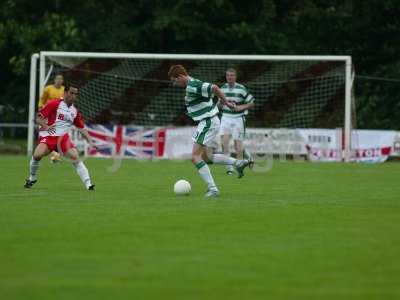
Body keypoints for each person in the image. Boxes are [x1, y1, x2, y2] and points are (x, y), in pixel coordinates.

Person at [168, 65, 250, 197]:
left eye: (175, 80)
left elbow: (214, 88)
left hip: (208, 122)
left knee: (195, 157)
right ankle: (238, 163)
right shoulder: (193, 85)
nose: (175, 84)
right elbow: (209, 98)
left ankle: (213, 189)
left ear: (181, 76)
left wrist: (227, 102)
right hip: (207, 121)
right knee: (206, 157)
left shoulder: (192, 85)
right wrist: (219, 104)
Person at [25, 84, 96, 190]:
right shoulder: (54, 104)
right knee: (37, 155)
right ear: (65, 93)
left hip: (63, 139)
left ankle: (89, 184)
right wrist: (46, 126)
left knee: (75, 158)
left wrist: (90, 141)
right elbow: (38, 118)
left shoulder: (74, 111)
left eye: (76, 94)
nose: (74, 96)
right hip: (49, 136)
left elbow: (81, 128)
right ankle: (32, 178)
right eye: (71, 93)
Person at [219, 68, 255, 174]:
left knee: (238, 147)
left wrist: (241, 107)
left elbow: (252, 102)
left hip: (238, 119)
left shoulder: (241, 88)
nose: (230, 77)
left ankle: (243, 164)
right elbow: (219, 105)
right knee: (224, 143)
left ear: (235, 77)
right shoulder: (222, 89)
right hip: (225, 117)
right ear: (226, 77)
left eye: (232, 75)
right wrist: (221, 103)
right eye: (228, 75)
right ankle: (229, 169)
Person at [38, 74, 65, 163]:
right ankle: (52, 154)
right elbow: (42, 100)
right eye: (58, 79)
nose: (59, 80)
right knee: (46, 134)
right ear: (54, 80)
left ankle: (55, 155)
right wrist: (41, 109)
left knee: (57, 135)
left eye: (61, 79)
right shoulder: (48, 89)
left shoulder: (64, 90)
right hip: (47, 115)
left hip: (58, 117)